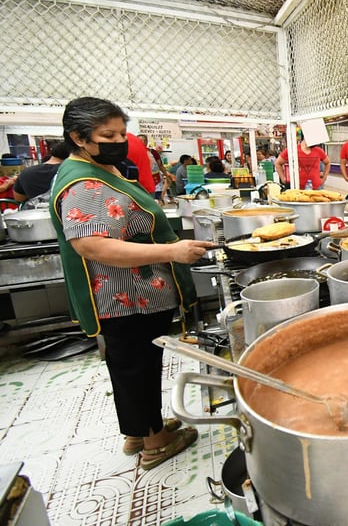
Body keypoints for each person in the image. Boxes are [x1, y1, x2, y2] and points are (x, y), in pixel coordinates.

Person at [49, 96, 215, 469]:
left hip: (133, 292)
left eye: (122, 132)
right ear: (78, 137)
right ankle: (155, 443)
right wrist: (171, 253)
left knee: (128, 365)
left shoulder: (98, 168)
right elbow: (91, 245)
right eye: (107, 134)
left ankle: (138, 431)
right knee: (138, 365)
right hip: (124, 295)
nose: (118, 140)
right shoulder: (82, 183)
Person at [13, 141, 70, 206]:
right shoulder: (70, 172)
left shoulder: (26, 173)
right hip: (66, 213)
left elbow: (19, 198)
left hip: (36, 213)